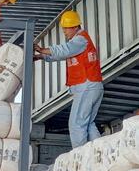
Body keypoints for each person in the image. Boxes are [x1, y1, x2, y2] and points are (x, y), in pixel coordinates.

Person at [35, 10, 103, 147]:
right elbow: (62, 54)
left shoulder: (80, 39)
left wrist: (42, 50)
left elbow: (64, 50)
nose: (64, 31)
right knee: (88, 123)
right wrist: (40, 56)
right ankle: (99, 152)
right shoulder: (79, 42)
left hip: (86, 86)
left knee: (76, 124)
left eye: (66, 28)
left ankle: (80, 155)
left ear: (75, 26)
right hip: (92, 86)